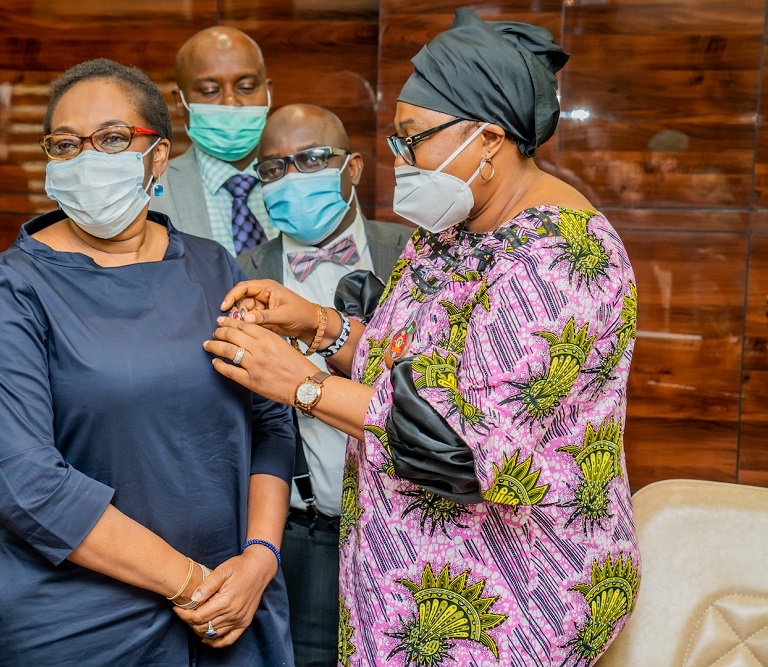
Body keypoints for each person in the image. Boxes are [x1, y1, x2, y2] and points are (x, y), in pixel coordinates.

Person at [206, 8, 639, 666]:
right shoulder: (456, 229)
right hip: (413, 589)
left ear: (489, 139)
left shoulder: (553, 256)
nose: (400, 160)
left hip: (507, 601)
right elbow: (414, 373)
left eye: (413, 140)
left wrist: (302, 384)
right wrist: (323, 326)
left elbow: (473, 444)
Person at [0, 57, 296, 666]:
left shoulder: (211, 266)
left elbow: (270, 424)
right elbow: (22, 480)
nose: (87, 157)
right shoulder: (14, 286)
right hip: (79, 624)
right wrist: (191, 583)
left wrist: (259, 560)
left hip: (233, 610)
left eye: (113, 138)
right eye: (65, 144)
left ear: (158, 156)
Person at [236, 103, 412, 667]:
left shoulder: (419, 256)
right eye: (274, 169)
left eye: (312, 158)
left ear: (353, 168)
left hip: (410, 532)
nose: (293, 177)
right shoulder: (238, 273)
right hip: (302, 540)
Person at [151, 26, 279, 256]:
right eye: (210, 91)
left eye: (246, 87)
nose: (230, 102)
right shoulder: (151, 194)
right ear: (180, 102)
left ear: (268, 92)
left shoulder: (308, 179)